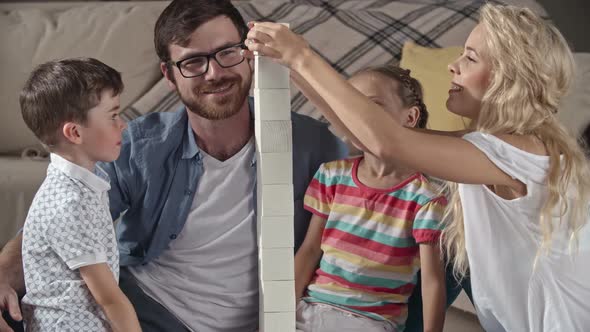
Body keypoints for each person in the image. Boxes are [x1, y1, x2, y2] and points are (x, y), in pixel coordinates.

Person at [0, 1, 346, 332]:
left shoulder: (313, 143)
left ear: (249, 57)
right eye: (194, 62)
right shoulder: (136, 145)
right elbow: (58, 222)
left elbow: (379, 185)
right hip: (148, 311)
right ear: (169, 74)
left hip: (269, 319)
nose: (215, 73)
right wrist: (2, 274)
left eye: (227, 52)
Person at [246, 3, 590, 331]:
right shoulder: (490, 146)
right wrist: (289, 65)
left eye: (470, 58)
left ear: (509, 80)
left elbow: (388, 142)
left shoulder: (522, 151)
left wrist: (301, 55)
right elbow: (366, 136)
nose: (453, 66)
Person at [294, 66, 446, 332]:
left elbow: (433, 282)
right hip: (310, 311)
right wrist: (278, 312)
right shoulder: (332, 176)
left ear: (410, 117)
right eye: (352, 107)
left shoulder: (425, 198)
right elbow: (309, 250)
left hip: (371, 323)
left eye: (373, 106)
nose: (359, 118)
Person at [18, 58, 140, 331]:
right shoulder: (70, 203)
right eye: (112, 116)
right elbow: (109, 298)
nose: (123, 125)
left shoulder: (86, 183)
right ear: (74, 132)